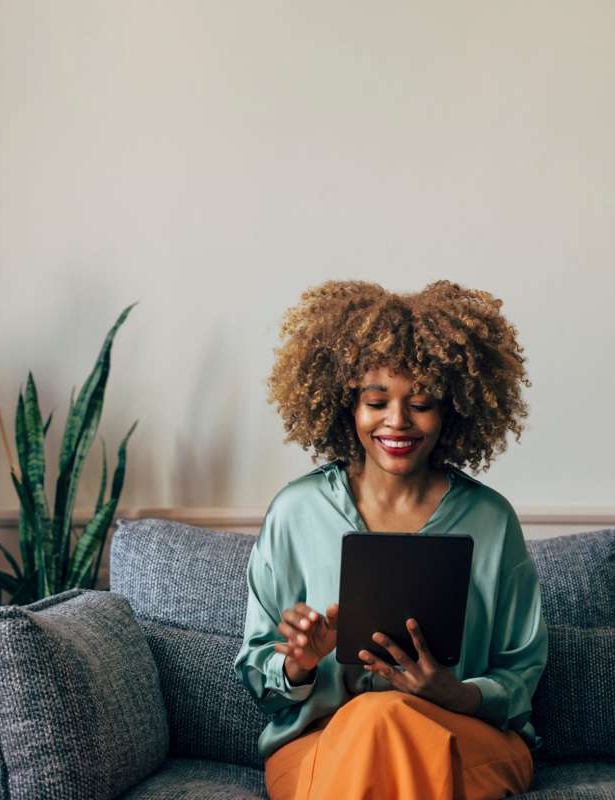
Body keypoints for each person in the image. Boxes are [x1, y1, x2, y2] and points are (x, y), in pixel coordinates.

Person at [233, 279, 548, 799]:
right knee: (375, 724)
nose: (397, 421)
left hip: (460, 735)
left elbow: (520, 673)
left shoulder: (491, 520)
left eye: (420, 403)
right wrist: (299, 662)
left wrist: (455, 693)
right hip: (322, 742)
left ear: (451, 410)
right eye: (376, 401)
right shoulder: (296, 512)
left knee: (387, 721)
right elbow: (258, 673)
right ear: (346, 406)